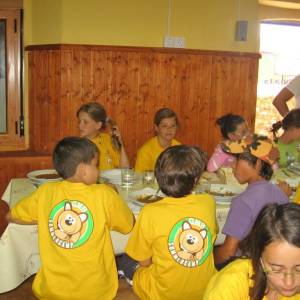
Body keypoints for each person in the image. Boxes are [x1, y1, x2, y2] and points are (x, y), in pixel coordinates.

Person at [6, 137, 134, 300]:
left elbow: (11, 216)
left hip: (52, 291)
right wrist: (114, 194)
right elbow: (128, 225)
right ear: (82, 170)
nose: (98, 171)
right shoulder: (104, 194)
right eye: (96, 165)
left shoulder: (46, 192)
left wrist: (46, 217)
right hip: (96, 291)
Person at [118, 145, 218, 299]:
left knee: (126, 260)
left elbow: (144, 262)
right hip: (205, 289)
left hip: (163, 293)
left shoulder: (150, 211)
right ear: (196, 180)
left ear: (158, 178)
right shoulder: (208, 202)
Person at [214, 135, 290, 266]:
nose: (232, 165)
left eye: (238, 159)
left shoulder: (242, 202)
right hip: (269, 264)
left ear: (258, 163)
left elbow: (228, 253)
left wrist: (209, 258)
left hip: (245, 267)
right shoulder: (281, 194)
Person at [204, 203, 300, 300]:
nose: (289, 283)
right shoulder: (229, 285)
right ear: (258, 256)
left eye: (299, 269)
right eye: (276, 269)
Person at [77, 101, 130, 170]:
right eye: (79, 121)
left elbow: (125, 169)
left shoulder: (108, 140)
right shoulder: (77, 146)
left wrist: (120, 143)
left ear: (98, 125)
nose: (80, 126)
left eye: (85, 122)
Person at [134, 108, 181, 172]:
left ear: (177, 127)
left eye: (173, 126)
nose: (169, 129)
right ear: (156, 128)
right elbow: (139, 177)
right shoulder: (145, 151)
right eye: (164, 126)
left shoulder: (179, 148)